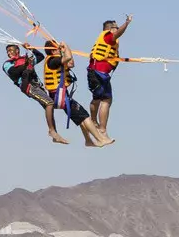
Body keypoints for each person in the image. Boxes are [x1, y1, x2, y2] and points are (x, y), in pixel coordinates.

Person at [87, 16, 132, 144]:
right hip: (98, 73)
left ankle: (98, 125)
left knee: (102, 99)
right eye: (116, 27)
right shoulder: (107, 37)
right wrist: (127, 23)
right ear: (110, 29)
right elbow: (117, 34)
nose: (117, 29)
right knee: (102, 99)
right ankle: (98, 126)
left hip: (99, 73)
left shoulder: (106, 39)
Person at [39, 39, 94, 142]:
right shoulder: (53, 61)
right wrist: (66, 46)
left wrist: (64, 50)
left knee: (81, 118)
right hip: (59, 96)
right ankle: (100, 138)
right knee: (84, 116)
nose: (59, 49)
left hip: (62, 95)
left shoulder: (58, 60)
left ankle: (89, 140)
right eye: (57, 48)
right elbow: (68, 58)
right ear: (53, 51)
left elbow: (71, 63)